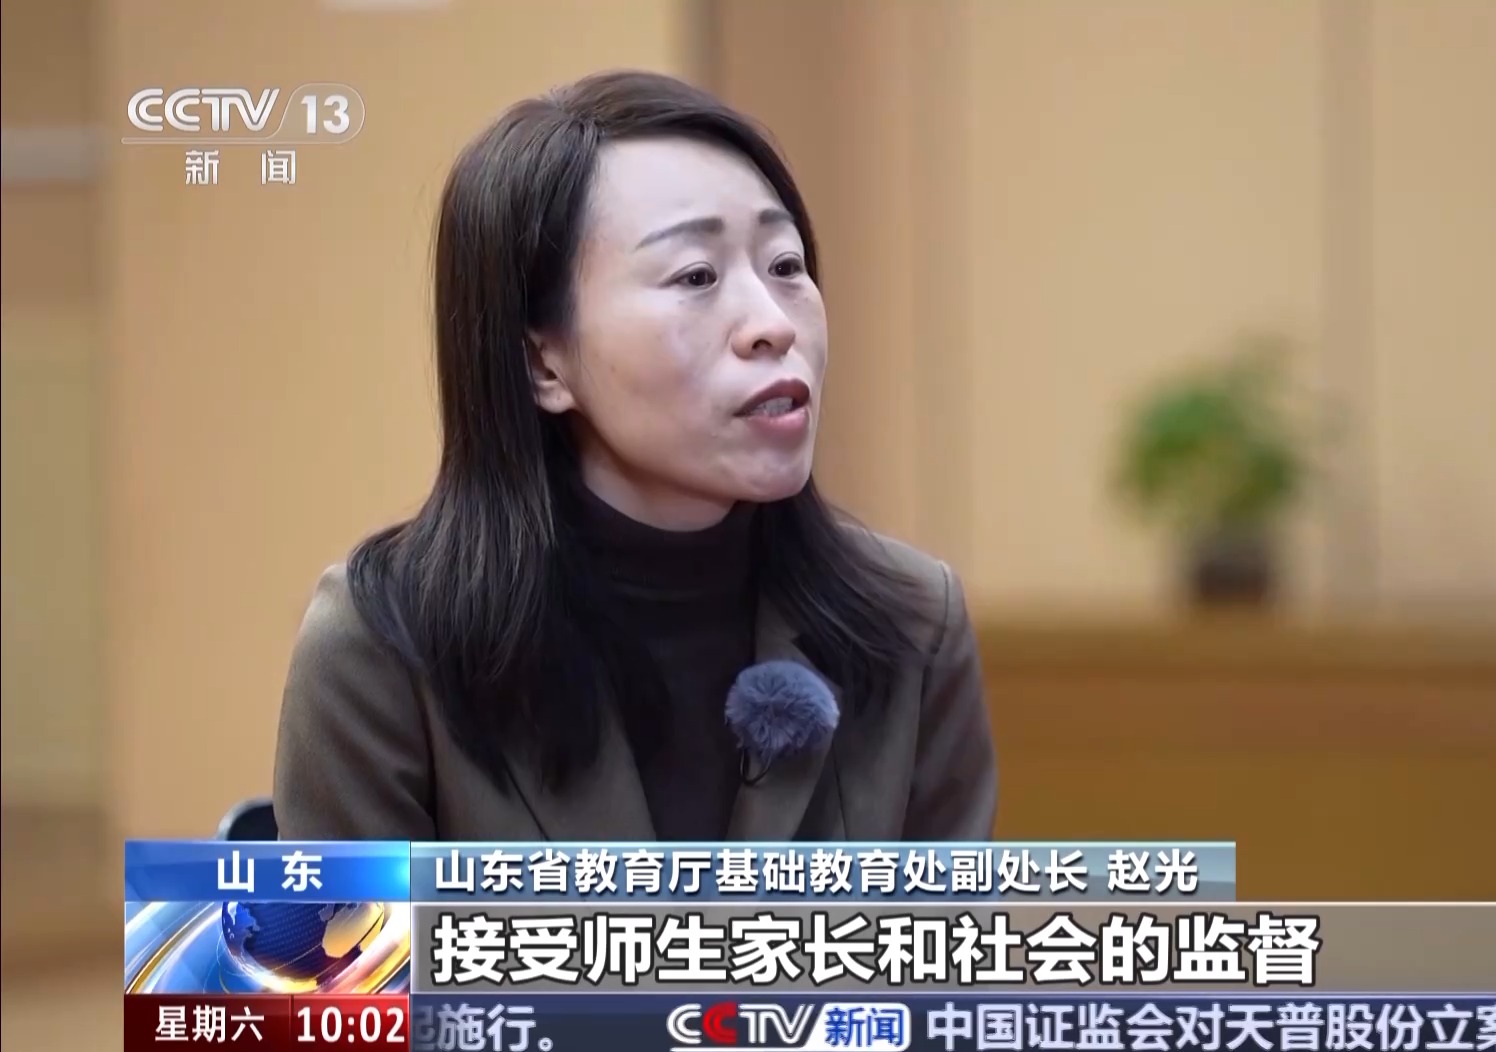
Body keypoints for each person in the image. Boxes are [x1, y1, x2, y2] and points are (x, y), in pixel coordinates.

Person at [272, 71, 995, 842]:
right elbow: (341, 925)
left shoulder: (911, 622)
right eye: (695, 276)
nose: (773, 324)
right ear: (542, 364)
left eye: (786, 266)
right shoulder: (383, 646)